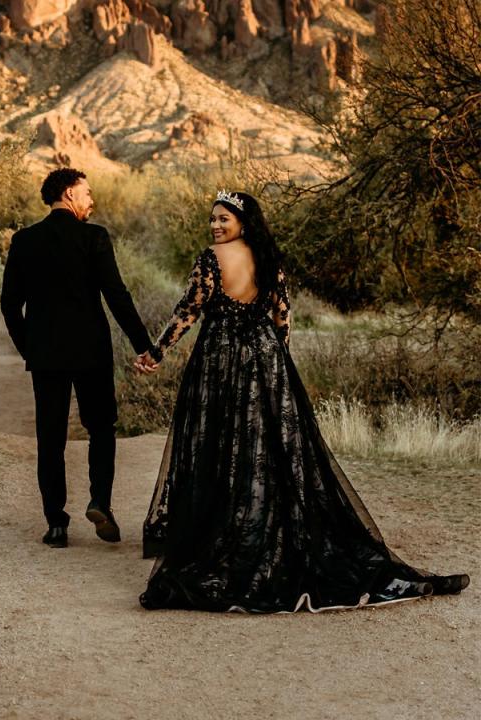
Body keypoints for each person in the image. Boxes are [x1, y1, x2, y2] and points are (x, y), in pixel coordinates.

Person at [137, 190, 470, 612]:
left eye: (223, 218)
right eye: (213, 219)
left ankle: (230, 534)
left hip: (221, 362)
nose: (216, 226)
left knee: (224, 446)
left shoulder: (210, 259)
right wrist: (278, 364)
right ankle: (258, 527)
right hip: (267, 360)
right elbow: (283, 317)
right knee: (268, 449)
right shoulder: (269, 259)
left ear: (242, 221)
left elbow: (189, 309)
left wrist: (157, 351)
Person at [0, 168, 159, 548]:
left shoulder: (25, 240)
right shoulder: (94, 237)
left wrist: (29, 348)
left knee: (50, 437)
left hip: (47, 356)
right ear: (69, 194)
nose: (92, 200)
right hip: (91, 352)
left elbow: (9, 305)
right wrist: (144, 346)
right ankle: (100, 501)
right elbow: (116, 296)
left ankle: (56, 524)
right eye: (87, 192)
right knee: (102, 427)